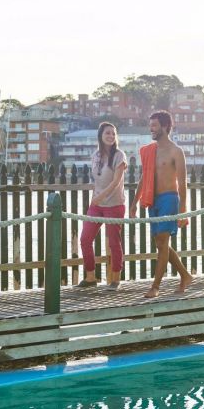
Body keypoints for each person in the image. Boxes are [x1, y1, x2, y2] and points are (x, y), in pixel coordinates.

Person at [129, 111, 193, 298]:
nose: (151, 129)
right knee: (159, 242)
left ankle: (155, 286)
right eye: (150, 125)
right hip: (153, 200)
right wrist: (134, 203)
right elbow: (144, 178)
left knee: (163, 241)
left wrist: (183, 208)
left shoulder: (176, 151)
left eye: (155, 125)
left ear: (165, 126)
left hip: (169, 199)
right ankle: (185, 275)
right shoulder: (151, 150)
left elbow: (182, 182)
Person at [76, 122, 128, 291]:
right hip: (97, 205)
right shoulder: (95, 156)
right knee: (85, 239)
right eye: (108, 133)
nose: (111, 136)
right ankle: (91, 277)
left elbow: (116, 182)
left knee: (114, 242)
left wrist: (100, 197)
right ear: (100, 135)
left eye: (113, 133)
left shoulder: (119, 156)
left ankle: (115, 279)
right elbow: (97, 181)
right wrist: (95, 199)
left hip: (114, 204)